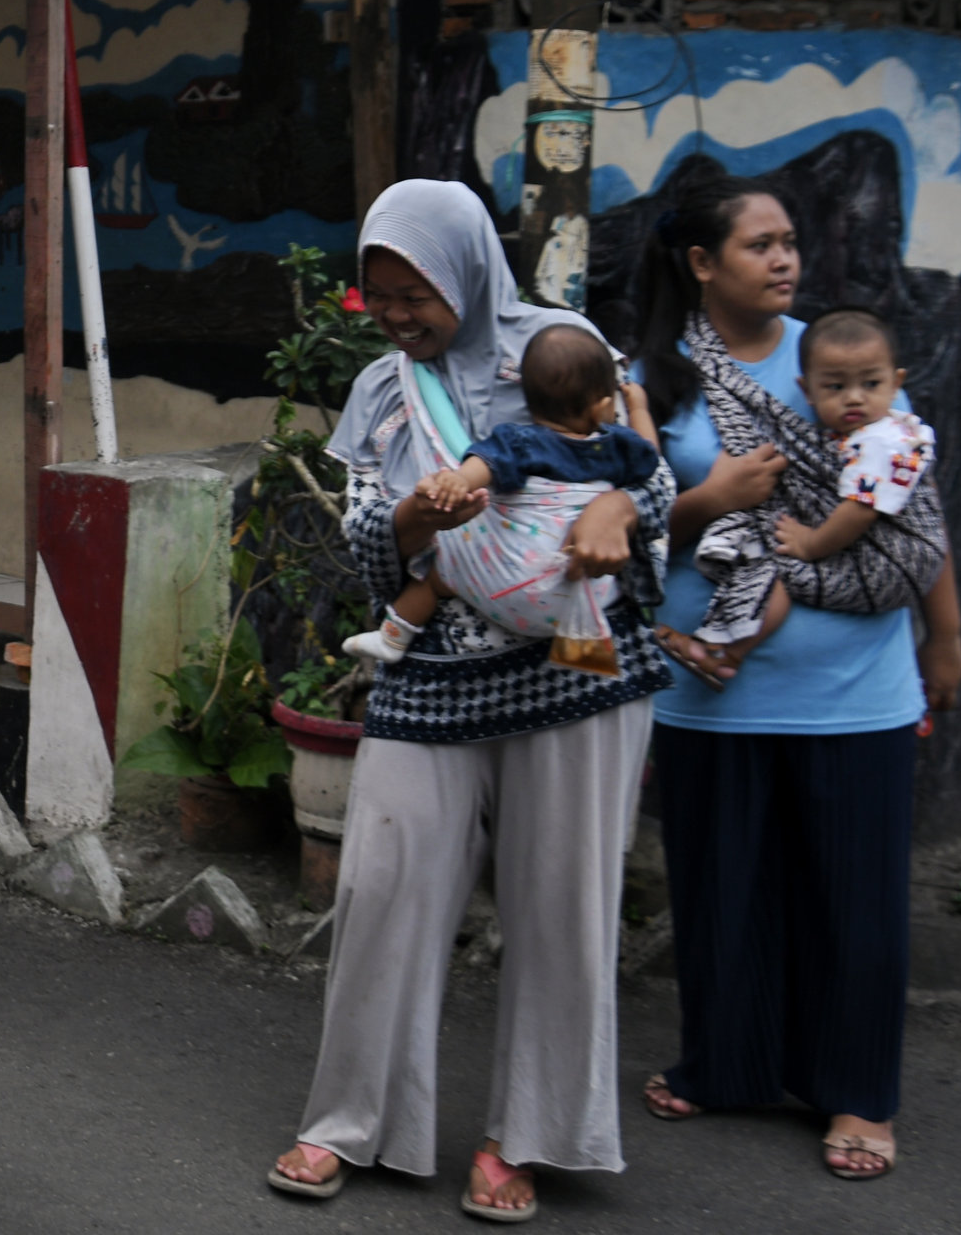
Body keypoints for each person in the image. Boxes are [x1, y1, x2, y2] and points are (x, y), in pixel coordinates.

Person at [269, 180, 671, 1221]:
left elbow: (649, 475)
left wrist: (620, 506)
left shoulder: (562, 342)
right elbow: (363, 547)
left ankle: (527, 1134)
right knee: (381, 886)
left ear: (470, 269)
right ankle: (350, 1118)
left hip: (576, 666)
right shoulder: (383, 391)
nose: (401, 312)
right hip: (433, 672)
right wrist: (419, 508)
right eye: (381, 291)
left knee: (562, 905)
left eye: (421, 289)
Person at [628, 176, 961, 1184]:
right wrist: (707, 501)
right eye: (761, 244)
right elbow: (618, 518)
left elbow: (914, 506)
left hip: (855, 688)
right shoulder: (654, 372)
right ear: (701, 262)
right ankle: (726, 1062)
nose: (785, 259)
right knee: (721, 889)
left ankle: (856, 1089)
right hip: (710, 688)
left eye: (790, 244)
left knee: (854, 897)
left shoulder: (843, 357)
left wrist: (944, 636)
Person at [344, 324, 659, 671]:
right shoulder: (617, 446)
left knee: (438, 575)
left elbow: (486, 464)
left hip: (509, 588)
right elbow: (652, 461)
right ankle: (579, 657)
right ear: (602, 407)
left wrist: (458, 480)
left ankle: (394, 634)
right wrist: (640, 409)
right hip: (582, 588)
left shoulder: (521, 440)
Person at [684, 305, 946, 672]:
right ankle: (721, 652)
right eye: (836, 387)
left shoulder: (886, 442)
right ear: (806, 390)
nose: (854, 398)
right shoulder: (863, 436)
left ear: (896, 384)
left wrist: (812, 543)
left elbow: (860, 509)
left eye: (871, 384)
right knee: (768, 574)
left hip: (892, 568)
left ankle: (719, 651)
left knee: (766, 567)